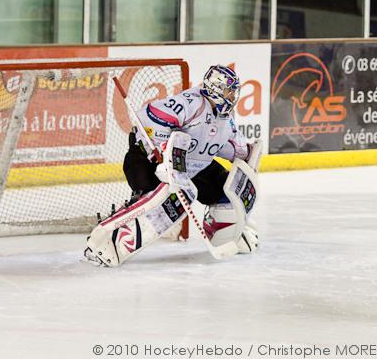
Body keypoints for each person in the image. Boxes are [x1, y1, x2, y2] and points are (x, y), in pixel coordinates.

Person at [84, 65, 261, 266]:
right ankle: (108, 240)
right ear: (216, 89)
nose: (233, 95)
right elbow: (148, 116)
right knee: (155, 200)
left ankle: (227, 233)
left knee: (226, 190)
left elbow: (227, 144)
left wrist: (247, 153)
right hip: (146, 159)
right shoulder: (190, 103)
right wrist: (162, 152)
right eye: (229, 90)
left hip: (189, 167)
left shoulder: (226, 117)